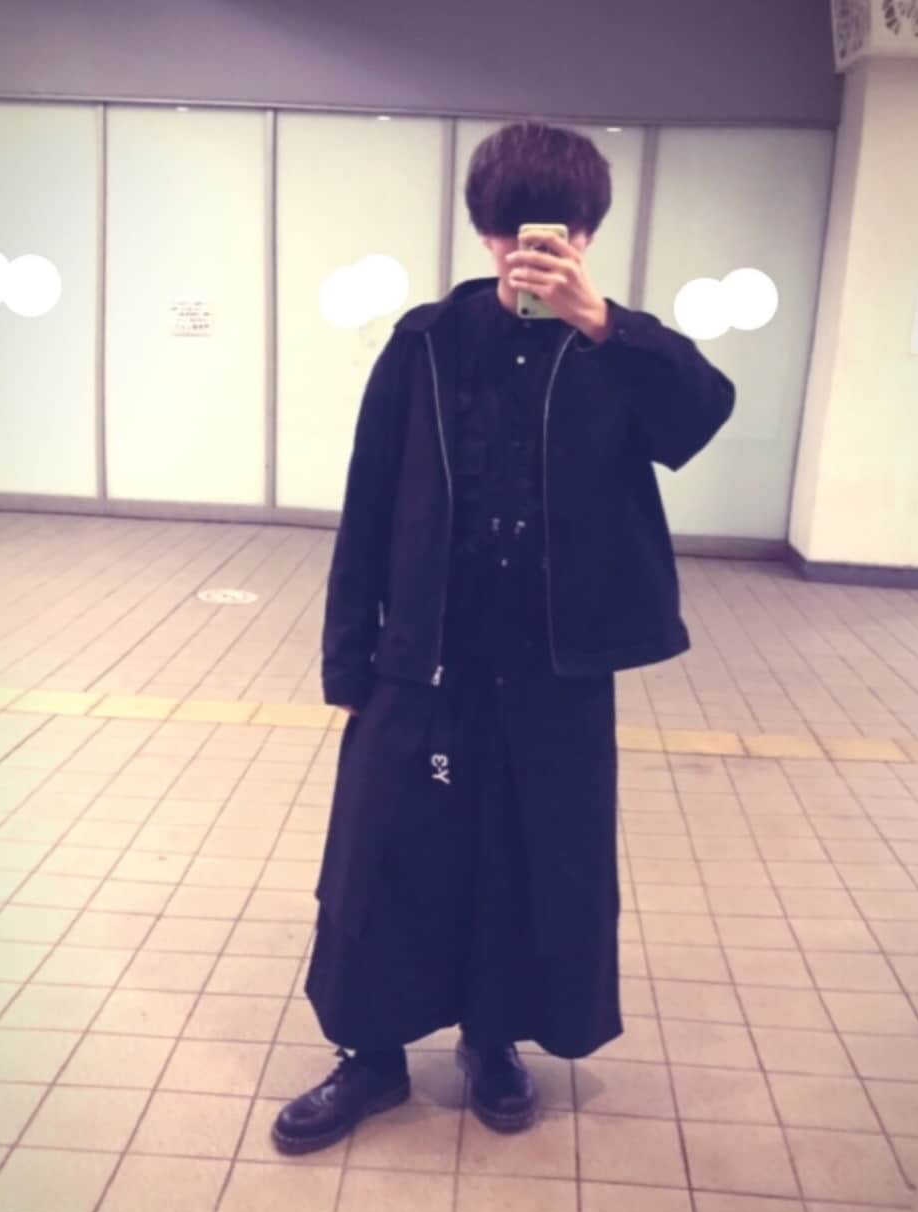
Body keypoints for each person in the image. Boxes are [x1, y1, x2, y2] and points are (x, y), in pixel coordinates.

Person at [272, 121, 736, 1155]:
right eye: (514, 228)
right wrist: (347, 656)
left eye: (559, 229)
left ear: (586, 234)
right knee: (381, 856)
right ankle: (370, 1054)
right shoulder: (425, 344)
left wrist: (604, 322)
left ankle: (493, 1040)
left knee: (528, 857)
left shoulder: (617, 349)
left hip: (554, 667)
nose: (532, 250)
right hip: (420, 656)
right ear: (486, 232)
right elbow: (368, 500)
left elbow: (701, 419)